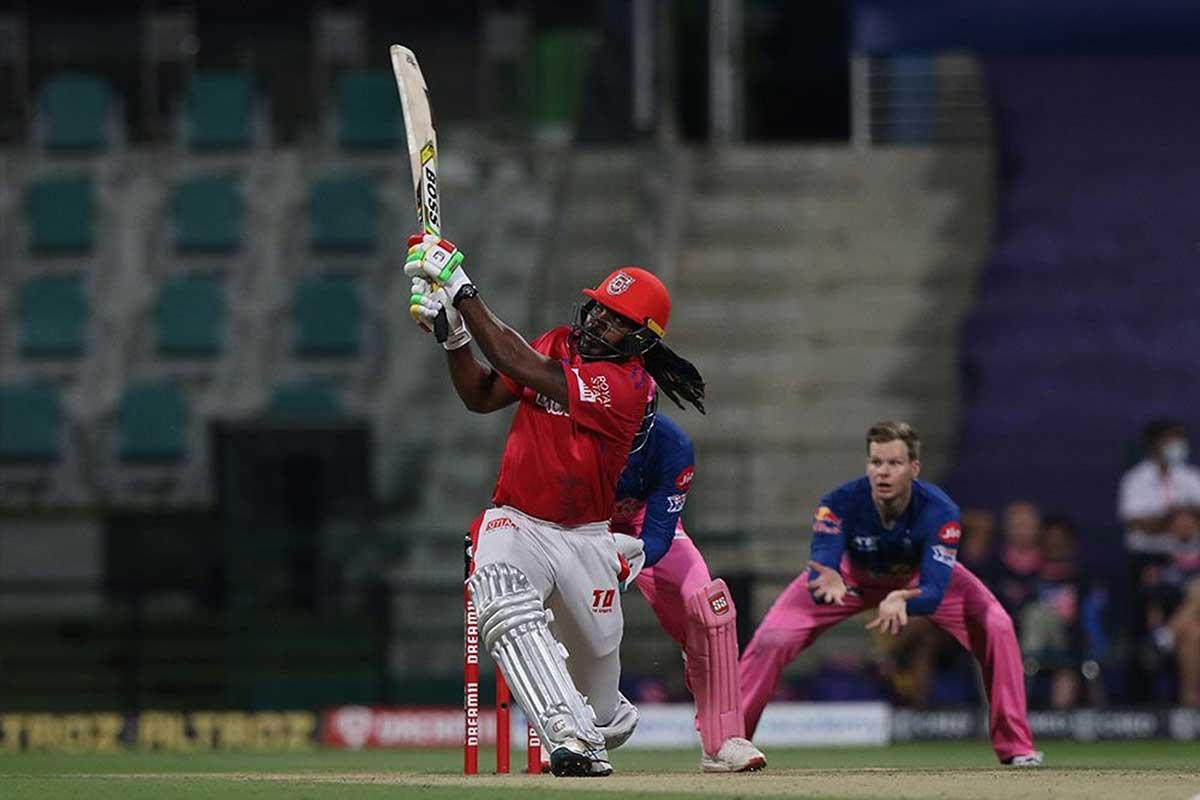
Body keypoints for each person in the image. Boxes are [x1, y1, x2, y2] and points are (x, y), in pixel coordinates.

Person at [405, 234, 704, 777]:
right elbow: (481, 395)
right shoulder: (558, 340)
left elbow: (522, 365)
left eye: (614, 319)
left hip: (585, 539)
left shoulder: (627, 387)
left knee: (601, 697)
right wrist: (453, 340)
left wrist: (461, 291)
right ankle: (567, 737)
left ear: (639, 340)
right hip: (515, 520)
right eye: (597, 307)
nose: (595, 321)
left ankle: (599, 723)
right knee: (498, 596)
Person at [738, 420, 1042, 766]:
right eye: (876, 462)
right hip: (852, 577)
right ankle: (732, 741)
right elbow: (823, 563)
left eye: (894, 464)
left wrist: (904, 598)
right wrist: (829, 580)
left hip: (916, 581)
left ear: (914, 468)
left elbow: (935, 588)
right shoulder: (838, 502)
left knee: (997, 625)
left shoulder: (940, 511)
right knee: (773, 638)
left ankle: (1015, 746)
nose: (882, 473)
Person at [611, 411, 767, 772]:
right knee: (574, 612)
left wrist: (634, 553)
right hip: (582, 524)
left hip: (645, 527)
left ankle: (723, 740)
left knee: (711, 610)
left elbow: (659, 535)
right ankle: (566, 735)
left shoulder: (673, 445)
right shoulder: (577, 429)